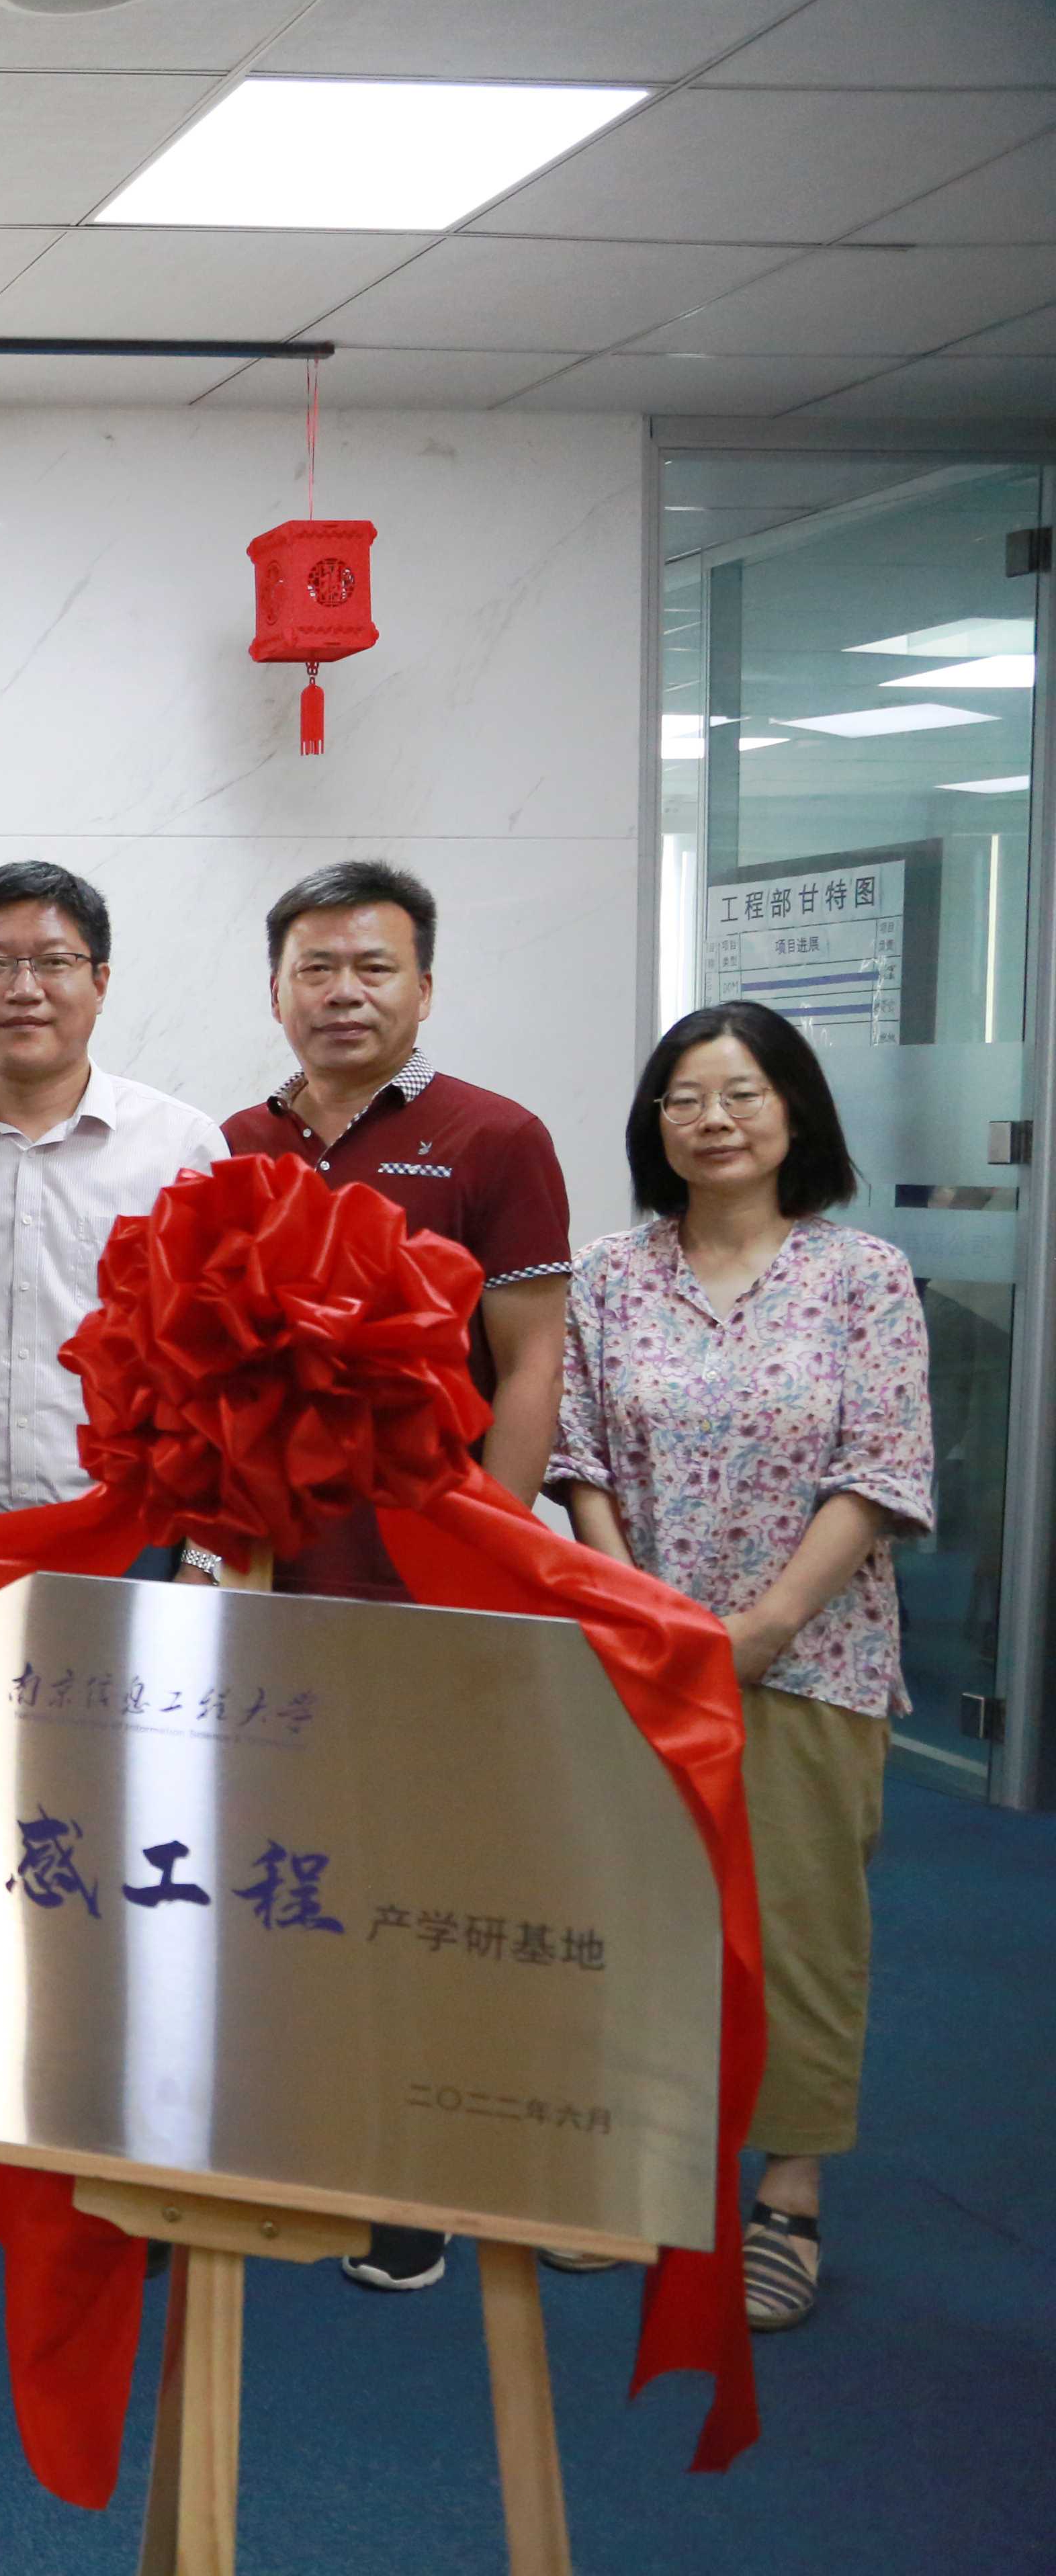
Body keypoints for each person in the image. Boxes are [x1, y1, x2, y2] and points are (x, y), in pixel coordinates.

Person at [551, 1000, 930, 2333]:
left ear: (794, 1113)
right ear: (655, 1124)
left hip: (813, 1657)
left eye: (743, 1094)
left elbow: (881, 1467)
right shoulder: (609, 1274)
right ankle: (642, 2162)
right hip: (641, 1659)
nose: (713, 1120)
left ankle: (789, 2191)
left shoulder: (863, 1275)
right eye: (685, 1099)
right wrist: (638, 1607)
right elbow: (580, 1457)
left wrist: (765, 1627)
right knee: (638, 1912)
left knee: (798, 1927)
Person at [219, 859, 570, 2297]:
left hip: (429, 1570)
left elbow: (534, 1358)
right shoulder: (241, 1141)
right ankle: (304, 2125)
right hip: (279, 1569)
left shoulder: (496, 1137)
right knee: (291, 1866)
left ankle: (421, 2176)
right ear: (277, 989)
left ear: (425, 986)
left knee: (427, 1879)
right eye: (316, 968)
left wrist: (492, 1539)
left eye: (373, 968)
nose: (344, 994)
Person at [0, 860, 223, 1526]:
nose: (24, 989)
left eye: (53, 962)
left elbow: (221, 1363)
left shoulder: (181, 1148)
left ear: (100, 983)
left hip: (128, 1528)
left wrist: (203, 1557)